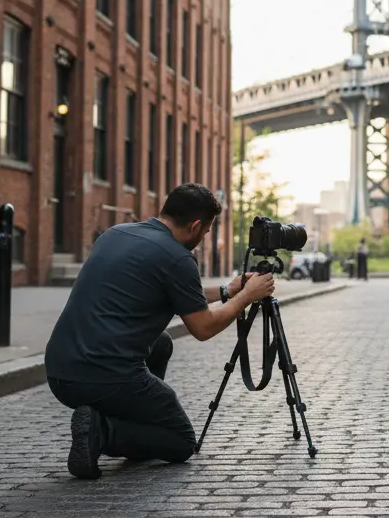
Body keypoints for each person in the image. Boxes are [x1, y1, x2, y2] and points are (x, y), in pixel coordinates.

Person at [44, 183, 276, 480]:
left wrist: (228, 291)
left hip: (59, 372)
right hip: (102, 377)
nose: (203, 238)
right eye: (205, 232)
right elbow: (203, 328)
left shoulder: (115, 234)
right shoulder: (178, 258)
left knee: (161, 343)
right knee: (180, 441)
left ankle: (124, 420)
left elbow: (172, 290)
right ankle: (103, 431)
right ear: (195, 225)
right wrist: (247, 297)